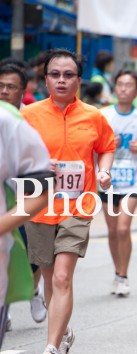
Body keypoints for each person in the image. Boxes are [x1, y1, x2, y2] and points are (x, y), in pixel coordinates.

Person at [21, 49, 115, 354]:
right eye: (55, 74)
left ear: (79, 79)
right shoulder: (28, 115)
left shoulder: (94, 116)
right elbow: (14, 158)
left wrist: (103, 173)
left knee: (63, 275)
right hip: (38, 205)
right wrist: (35, 166)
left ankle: (51, 349)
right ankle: (62, 335)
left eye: (68, 75)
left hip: (79, 203)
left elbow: (106, 148)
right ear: (45, 78)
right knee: (49, 278)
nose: (62, 80)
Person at [0, 62, 49, 328]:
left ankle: (32, 289)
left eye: (11, 87)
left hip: (20, 202)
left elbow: (42, 182)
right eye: (1, 86)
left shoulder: (22, 120)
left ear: (23, 93)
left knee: (33, 253)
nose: (4, 92)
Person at [99, 69, 137, 297]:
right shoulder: (103, 115)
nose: (123, 88)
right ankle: (117, 272)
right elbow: (92, 145)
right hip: (107, 180)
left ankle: (123, 275)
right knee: (112, 231)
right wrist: (107, 143)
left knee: (123, 228)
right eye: (119, 84)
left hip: (132, 180)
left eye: (128, 85)